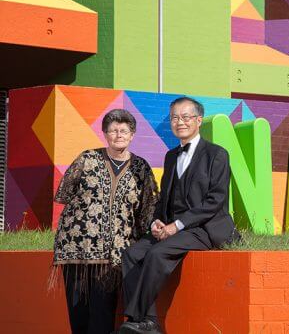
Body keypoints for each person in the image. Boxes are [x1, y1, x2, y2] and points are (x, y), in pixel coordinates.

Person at [119, 97, 239, 334]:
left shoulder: (217, 154)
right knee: (132, 254)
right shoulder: (171, 156)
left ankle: (135, 319)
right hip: (174, 226)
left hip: (203, 228)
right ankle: (150, 321)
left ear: (199, 120)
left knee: (156, 253)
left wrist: (178, 225)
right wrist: (157, 222)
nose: (180, 122)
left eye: (186, 117)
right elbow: (165, 197)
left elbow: (215, 201)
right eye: (174, 117)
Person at [52, 109, 158, 334]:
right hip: (77, 250)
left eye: (123, 130)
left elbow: (147, 208)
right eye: (112, 130)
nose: (118, 135)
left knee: (102, 315)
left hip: (114, 255)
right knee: (78, 313)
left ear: (132, 134)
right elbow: (64, 193)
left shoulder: (141, 168)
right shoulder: (87, 158)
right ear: (105, 134)